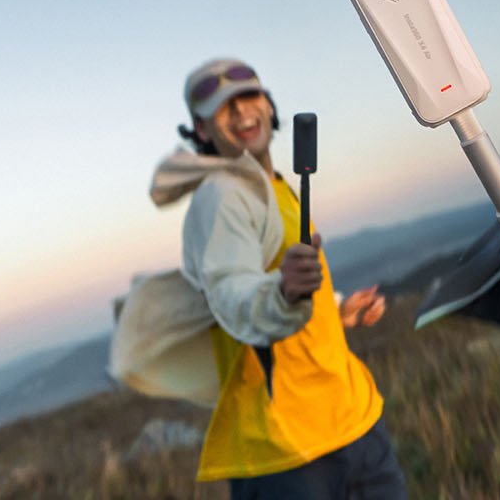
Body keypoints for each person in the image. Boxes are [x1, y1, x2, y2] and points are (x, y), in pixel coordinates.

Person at [148, 57, 406, 499]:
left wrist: (337, 307)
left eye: (248, 97)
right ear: (202, 131)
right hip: (286, 453)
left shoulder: (277, 187)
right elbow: (231, 294)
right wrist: (285, 291)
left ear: (268, 105)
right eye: (221, 107)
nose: (241, 111)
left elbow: (276, 278)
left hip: (352, 419)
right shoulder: (222, 195)